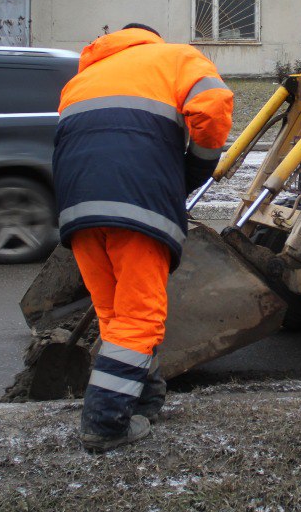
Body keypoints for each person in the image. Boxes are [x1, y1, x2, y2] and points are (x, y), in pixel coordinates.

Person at [52, 23, 233, 453]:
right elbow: (212, 105)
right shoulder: (173, 57)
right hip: (136, 202)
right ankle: (105, 424)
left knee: (116, 317)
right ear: (150, 38)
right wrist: (196, 169)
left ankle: (143, 402)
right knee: (140, 318)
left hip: (77, 208)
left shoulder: (81, 80)